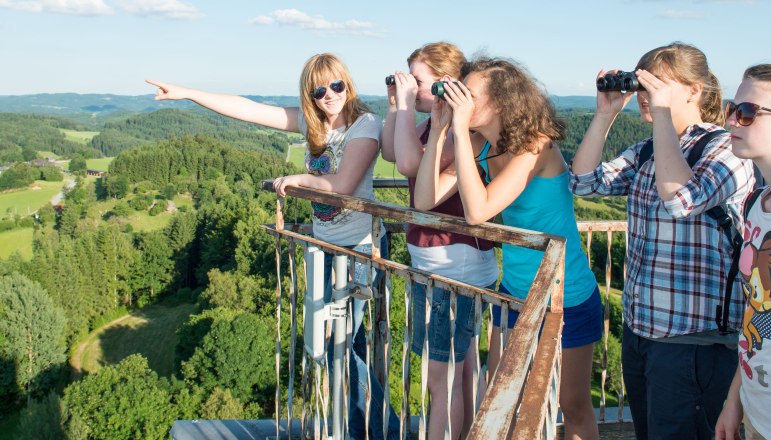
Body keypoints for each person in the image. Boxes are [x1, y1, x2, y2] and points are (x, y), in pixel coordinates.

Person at [147, 52, 399, 440]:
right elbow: (248, 109)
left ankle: (385, 431)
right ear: (310, 96)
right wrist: (186, 93)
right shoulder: (312, 124)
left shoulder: (365, 123)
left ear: (347, 84)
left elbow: (344, 186)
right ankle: (359, 429)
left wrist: (299, 178)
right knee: (351, 350)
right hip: (327, 249)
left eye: (336, 85)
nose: (329, 95)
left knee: (338, 351)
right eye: (319, 90)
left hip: (360, 252)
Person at [569, 42, 755, 440]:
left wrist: (663, 118)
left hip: (695, 342)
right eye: (640, 86)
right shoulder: (649, 150)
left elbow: (680, 200)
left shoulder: (726, 149)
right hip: (643, 333)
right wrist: (605, 115)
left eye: (658, 86)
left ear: (694, 91)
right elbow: (583, 181)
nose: (644, 96)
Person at [415, 56, 601, 440]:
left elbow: (478, 212)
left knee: (574, 406)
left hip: (566, 295)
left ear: (500, 102)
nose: (460, 96)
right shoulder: (483, 146)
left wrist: (462, 132)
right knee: (500, 400)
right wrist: (439, 130)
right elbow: (424, 199)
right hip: (516, 293)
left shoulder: (535, 145)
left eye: (470, 92)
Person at [382, 42, 498, 439]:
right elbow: (391, 149)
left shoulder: (459, 131)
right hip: (440, 264)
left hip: (453, 267)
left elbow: (409, 165)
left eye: (419, 80)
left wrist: (405, 107)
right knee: (461, 371)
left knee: (440, 380)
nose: (412, 87)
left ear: (446, 84)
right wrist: (398, 104)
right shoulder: (435, 125)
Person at [716, 64, 771, 440]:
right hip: (758, 414)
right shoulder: (757, 205)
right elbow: (756, 315)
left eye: (748, 112)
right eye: (731, 108)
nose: (732, 122)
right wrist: (734, 400)